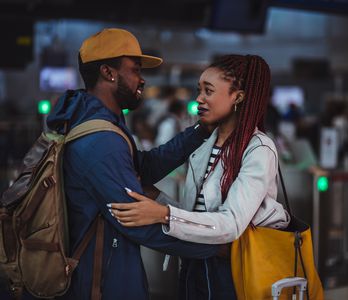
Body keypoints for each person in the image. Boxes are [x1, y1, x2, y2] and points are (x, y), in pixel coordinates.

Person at [41, 28, 220, 300]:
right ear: (108, 73)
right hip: (101, 282)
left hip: (103, 271)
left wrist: (201, 131)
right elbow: (135, 220)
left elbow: (143, 167)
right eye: (134, 70)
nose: (142, 79)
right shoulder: (101, 142)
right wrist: (215, 244)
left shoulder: (99, 124)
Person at [110, 54, 291, 299]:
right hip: (194, 264)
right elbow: (198, 216)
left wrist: (163, 214)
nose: (199, 99)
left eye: (208, 91)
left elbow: (230, 224)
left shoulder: (259, 149)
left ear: (238, 97)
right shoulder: (206, 144)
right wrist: (157, 199)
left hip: (233, 272)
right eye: (199, 90)